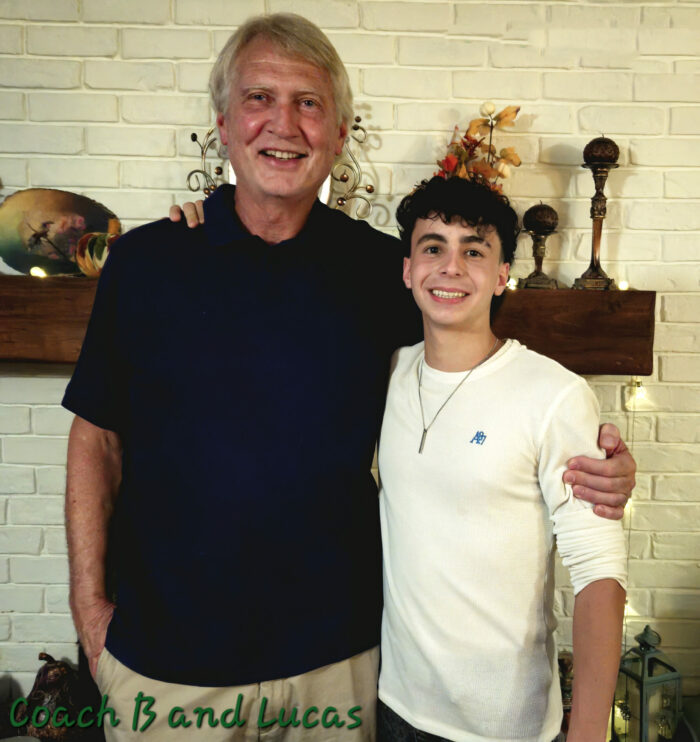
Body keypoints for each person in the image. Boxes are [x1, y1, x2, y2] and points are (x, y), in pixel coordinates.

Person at [64, 13, 634, 742]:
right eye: (259, 98)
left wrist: (600, 465)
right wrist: (90, 614)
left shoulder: (382, 269)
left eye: (309, 103)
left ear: (338, 134)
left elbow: (483, 371)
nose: (284, 124)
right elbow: (96, 437)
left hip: (340, 666)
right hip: (169, 666)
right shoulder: (148, 263)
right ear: (224, 124)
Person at [375, 175, 626, 742]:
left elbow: (599, 572)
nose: (451, 267)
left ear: (501, 275)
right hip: (395, 706)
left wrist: (589, 731)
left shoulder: (554, 395)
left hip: (505, 726)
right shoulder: (391, 372)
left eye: (474, 251)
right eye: (433, 247)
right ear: (408, 270)